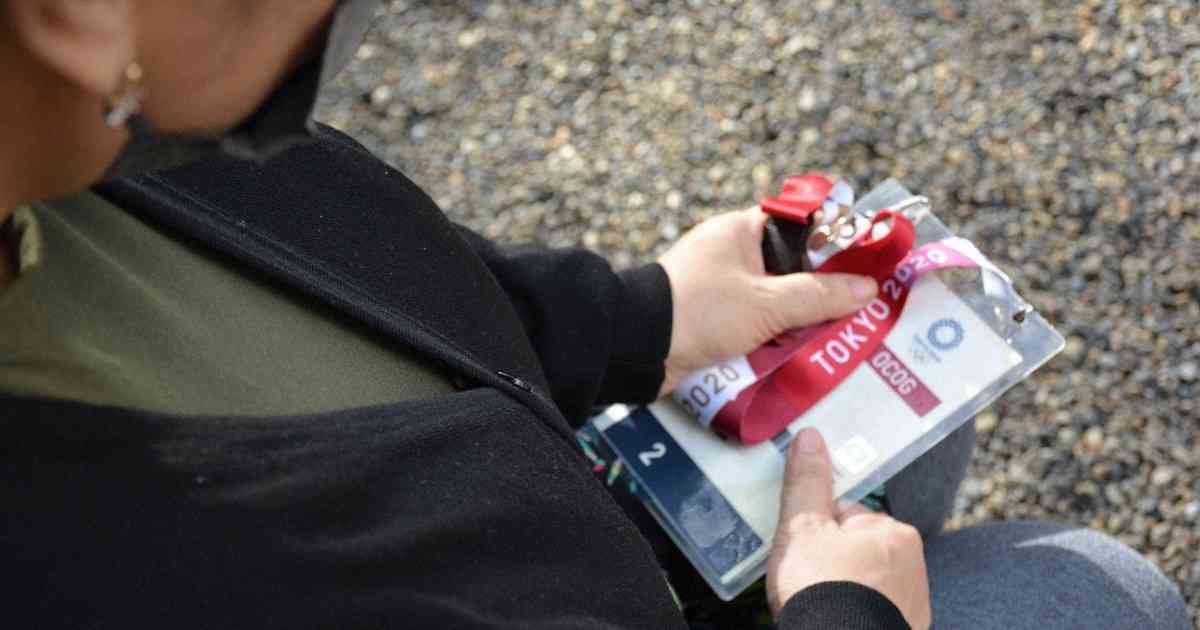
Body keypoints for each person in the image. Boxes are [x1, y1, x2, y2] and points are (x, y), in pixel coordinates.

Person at [0, 2, 1189, 628]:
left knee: (892, 394)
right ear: (84, 14)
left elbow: (352, 282)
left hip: (560, 515)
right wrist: (844, 620)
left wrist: (635, 316)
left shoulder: (95, 151)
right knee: (1090, 591)